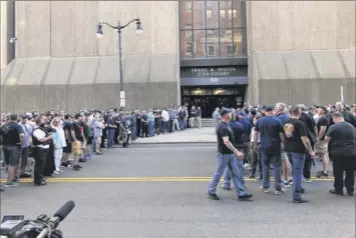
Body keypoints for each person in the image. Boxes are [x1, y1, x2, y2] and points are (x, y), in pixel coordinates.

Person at [207, 108, 253, 201]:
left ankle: (241, 193)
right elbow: (226, 142)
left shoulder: (227, 125)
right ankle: (211, 191)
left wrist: (234, 152)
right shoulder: (222, 127)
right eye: (229, 113)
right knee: (219, 172)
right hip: (224, 153)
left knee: (236, 172)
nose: (231, 114)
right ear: (225, 115)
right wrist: (237, 151)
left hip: (230, 153)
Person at [283, 106, 315, 203]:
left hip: (288, 148)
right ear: (299, 112)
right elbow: (304, 138)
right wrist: (310, 151)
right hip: (298, 150)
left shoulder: (286, 121)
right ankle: (296, 196)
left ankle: (299, 188)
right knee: (297, 173)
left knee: (295, 170)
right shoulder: (299, 123)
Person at [253, 106, 284, 195]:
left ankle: (265, 186)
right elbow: (281, 134)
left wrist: (255, 144)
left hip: (264, 145)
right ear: (272, 111)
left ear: (265, 112)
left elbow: (255, 134)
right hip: (275, 145)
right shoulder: (277, 121)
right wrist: (283, 144)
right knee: (277, 166)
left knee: (265, 166)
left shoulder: (260, 121)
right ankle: (278, 188)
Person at [325, 112, 356, 196]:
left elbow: (327, 139)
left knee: (338, 172)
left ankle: (339, 189)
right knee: (350, 172)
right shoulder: (351, 126)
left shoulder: (334, 126)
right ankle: (350, 190)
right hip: (352, 152)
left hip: (338, 152)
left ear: (335, 118)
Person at [0, 114, 24, 187]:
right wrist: (21, 142)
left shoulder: (3, 126)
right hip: (14, 146)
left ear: (9, 118)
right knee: (13, 164)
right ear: (17, 118)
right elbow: (22, 135)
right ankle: (9, 181)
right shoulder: (17, 126)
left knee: (9, 164)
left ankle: (14, 178)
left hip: (5, 146)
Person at [32, 115, 53, 186]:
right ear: (38, 120)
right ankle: (38, 180)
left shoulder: (43, 128)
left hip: (44, 148)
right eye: (42, 119)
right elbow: (41, 139)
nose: (44, 120)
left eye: (45, 119)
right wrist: (49, 137)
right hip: (40, 148)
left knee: (42, 164)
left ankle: (40, 178)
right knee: (39, 164)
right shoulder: (36, 129)